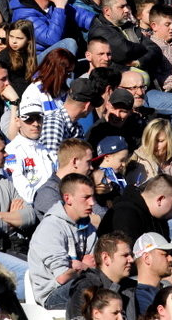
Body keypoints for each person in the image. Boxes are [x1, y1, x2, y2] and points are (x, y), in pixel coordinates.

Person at [28, 173, 98, 308]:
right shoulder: (50, 227)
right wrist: (85, 266)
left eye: (93, 196)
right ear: (68, 198)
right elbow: (62, 277)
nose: (92, 202)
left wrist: (80, 266)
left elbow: (97, 264)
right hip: (52, 293)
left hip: (79, 283)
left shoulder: (88, 227)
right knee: (91, 287)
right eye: (86, 197)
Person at [9, 0, 84, 57]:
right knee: (69, 44)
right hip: (33, 60)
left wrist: (99, 21)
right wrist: (60, 8)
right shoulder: (24, 13)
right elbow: (50, 39)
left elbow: (81, 16)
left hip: (53, 56)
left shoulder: (53, 3)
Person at [65, 232, 137, 320]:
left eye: (131, 255)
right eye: (125, 255)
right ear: (106, 258)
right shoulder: (86, 287)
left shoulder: (130, 287)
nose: (131, 260)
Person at [39, 78, 102, 158]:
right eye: (93, 106)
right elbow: (51, 165)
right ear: (87, 106)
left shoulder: (77, 127)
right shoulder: (54, 124)